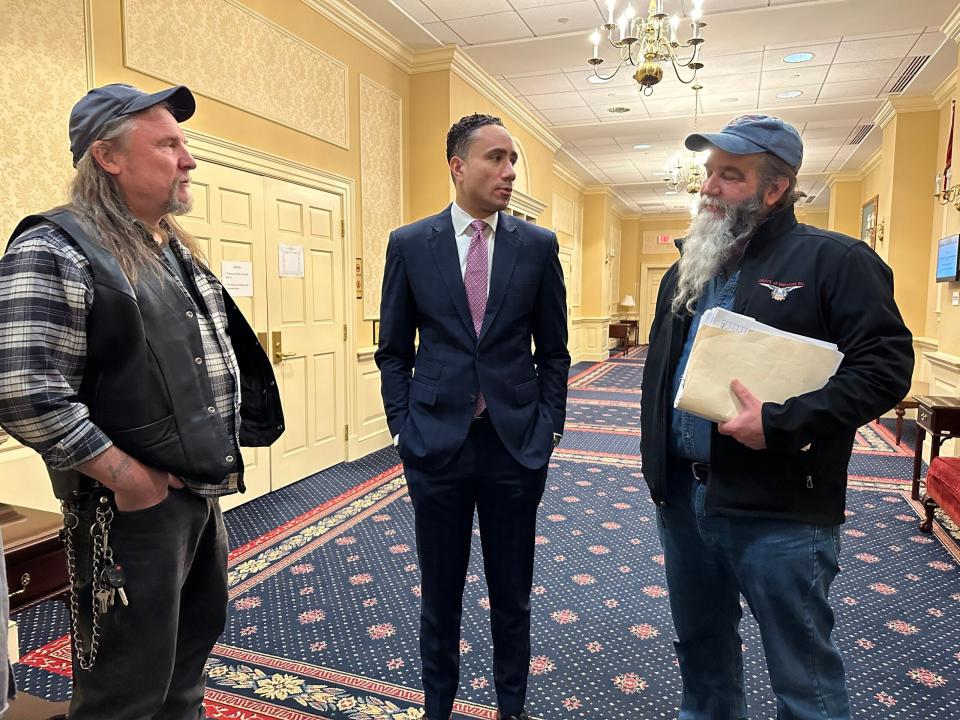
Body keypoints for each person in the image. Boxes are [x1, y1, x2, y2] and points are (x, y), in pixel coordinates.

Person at [0, 83, 283, 719]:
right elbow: (20, 387)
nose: (189, 159)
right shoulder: (56, 248)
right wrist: (128, 478)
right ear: (107, 156)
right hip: (123, 512)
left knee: (184, 670)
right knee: (125, 694)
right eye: (168, 144)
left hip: (192, 496)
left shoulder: (169, 246)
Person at [639, 115, 914, 719]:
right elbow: (662, 375)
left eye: (729, 175)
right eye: (708, 172)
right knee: (702, 652)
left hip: (781, 509)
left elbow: (884, 370)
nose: (709, 186)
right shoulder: (687, 268)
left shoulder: (836, 261)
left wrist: (784, 421)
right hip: (686, 503)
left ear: (774, 189)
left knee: (802, 673)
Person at [375, 114, 570, 720]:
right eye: (495, 158)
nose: (509, 171)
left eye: (513, 159)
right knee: (441, 591)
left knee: (512, 593)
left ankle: (512, 707)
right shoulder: (411, 242)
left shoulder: (537, 246)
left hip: (515, 444)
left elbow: (555, 351)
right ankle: (439, 706)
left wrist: (550, 425)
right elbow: (394, 350)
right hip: (436, 444)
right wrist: (404, 427)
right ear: (458, 166)